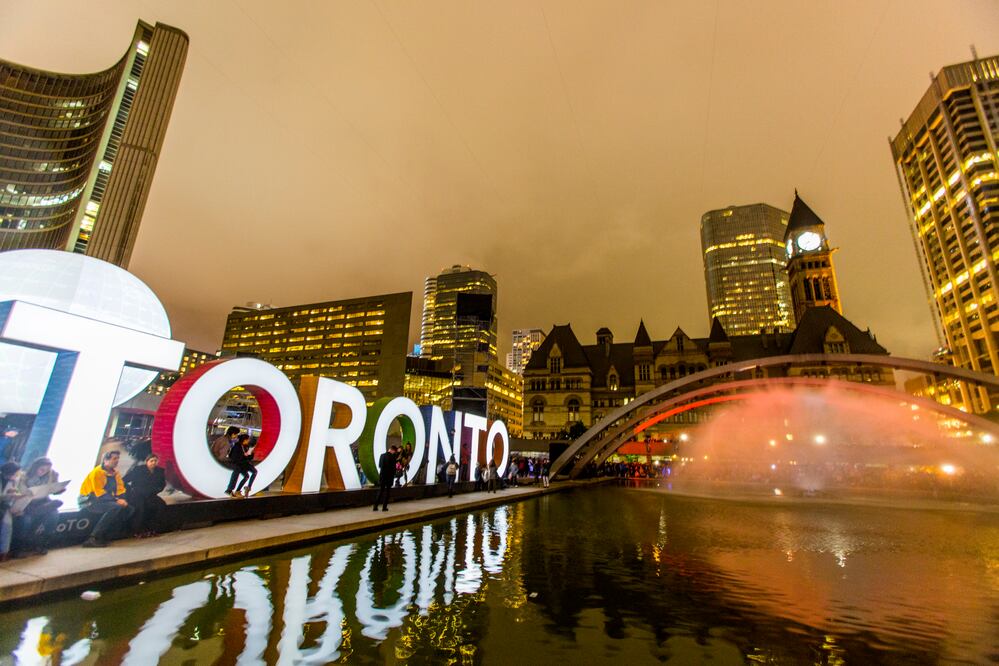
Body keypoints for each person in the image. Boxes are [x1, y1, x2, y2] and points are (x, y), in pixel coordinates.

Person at [79, 451, 134, 548]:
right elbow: (99, 492)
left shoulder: (115, 473)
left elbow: (120, 489)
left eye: (118, 458)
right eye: (114, 458)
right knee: (115, 507)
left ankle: (110, 534)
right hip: (89, 500)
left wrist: (123, 499)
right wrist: (117, 500)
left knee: (129, 509)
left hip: (105, 500)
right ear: (105, 460)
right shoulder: (97, 472)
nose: (117, 461)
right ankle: (93, 538)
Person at [14, 457, 64, 555]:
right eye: (42, 469)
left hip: (42, 501)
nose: (43, 472)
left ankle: (41, 543)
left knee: (53, 516)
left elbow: (55, 491)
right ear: (35, 467)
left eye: (46, 471)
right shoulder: (24, 477)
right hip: (27, 504)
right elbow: (20, 492)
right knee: (26, 520)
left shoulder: (51, 475)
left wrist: (59, 487)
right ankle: (19, 547)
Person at [124, 453, 166, 536]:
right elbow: (125, 480)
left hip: (151, 494)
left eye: (155, 461)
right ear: (147, 461)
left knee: (161, 505)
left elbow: (162, 484)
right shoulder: (138, 470)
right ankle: (138, 531)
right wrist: (129, 491)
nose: (153, 463)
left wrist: (155, 491)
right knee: (140, 508)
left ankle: (153, 529)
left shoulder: (160, 471)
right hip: (137, 494)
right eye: (151, 461)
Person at [1, 462, 26, 561]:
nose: (17, 476)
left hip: (5, 507)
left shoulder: (13, 482)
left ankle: (3, 552)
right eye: (16, 474)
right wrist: (10, 495)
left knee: (7, 525)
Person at [374, 445, 399, 511]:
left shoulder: (382, 455)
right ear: (393, 450)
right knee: (387, 492)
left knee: (380, 491)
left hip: (382, 476)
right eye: (395, 452)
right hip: (389, 477)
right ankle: (384, 507)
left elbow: (380, 465)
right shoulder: (393, 457)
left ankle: (375, 506)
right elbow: (394, 468)